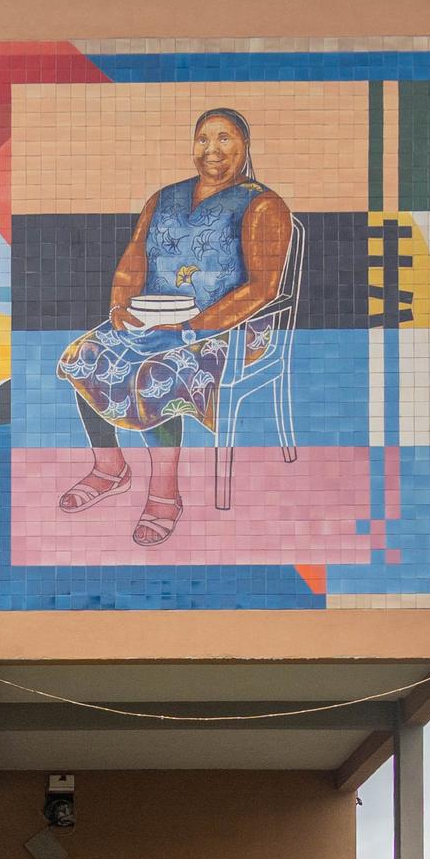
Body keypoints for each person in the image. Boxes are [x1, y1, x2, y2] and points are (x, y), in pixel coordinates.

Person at [55, 107, 293, 545]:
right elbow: (134, 257)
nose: (212, 149)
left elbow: (263, 287)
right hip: (153, 320)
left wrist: (195, 324)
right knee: (86, 354)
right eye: (203, 139)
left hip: (229, 330)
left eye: (224, 138)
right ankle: (110, 467)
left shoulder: (263, 204)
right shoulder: (164, 197)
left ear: (245, 145)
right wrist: (119, 304)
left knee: (155, 375)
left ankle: (165, 493)